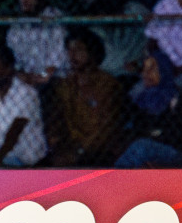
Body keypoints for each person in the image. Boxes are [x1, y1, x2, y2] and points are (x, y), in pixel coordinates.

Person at [46, 27, 125, 166]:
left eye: (79, 50)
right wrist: (55, 141)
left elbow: (106, 129)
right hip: (71, 147)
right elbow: (55, 121)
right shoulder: (65, 85)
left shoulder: (109, 85)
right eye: (69, 50)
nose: (72, 55)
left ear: (92, 53)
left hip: (100, 150)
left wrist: (81, 152)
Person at [114, 52, 182, 168]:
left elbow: (180, 135)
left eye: (152, 69)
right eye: (144, 69)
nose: (146, 74)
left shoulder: (176, 97)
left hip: (173, 150)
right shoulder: (139, 98)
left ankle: (114, 179)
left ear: (164, 70)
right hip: (144, 151)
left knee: (141, 147)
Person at [6, 0, 68, 86]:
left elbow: (58, 56)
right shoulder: (18, 24)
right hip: (26, 79)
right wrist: (24, 75)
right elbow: (13, 54)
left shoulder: (54, 17)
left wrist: (43, 76)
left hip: (55, 78)